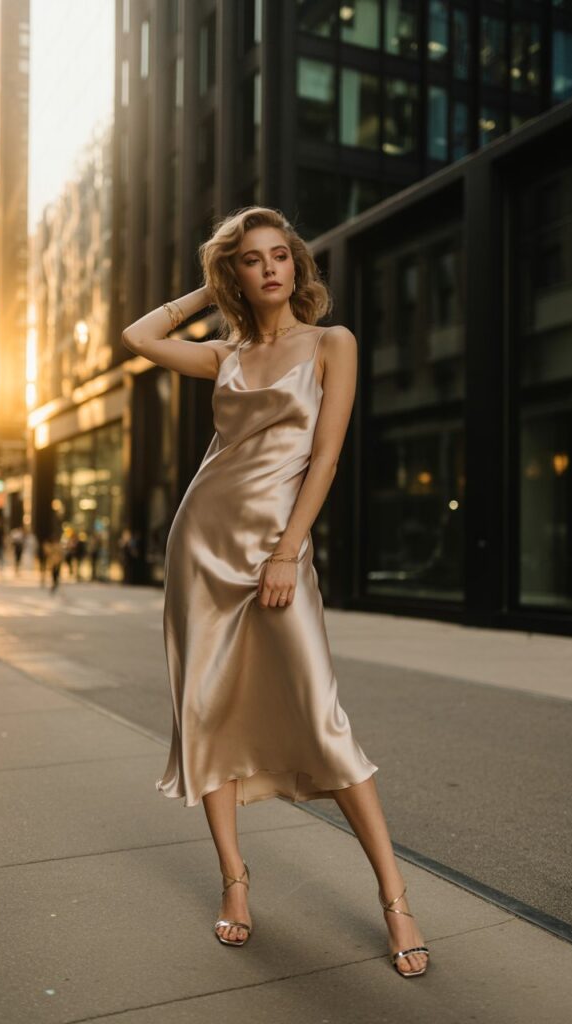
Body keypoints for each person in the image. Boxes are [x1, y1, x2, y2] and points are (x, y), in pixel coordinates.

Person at [121, 206, 429, 977]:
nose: (269, 268)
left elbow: (324, 459)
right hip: (202, 543)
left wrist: (289, 551)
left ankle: (394, 898)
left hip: (276, 549)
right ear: (238, 273)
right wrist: (202, 291)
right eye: (252, 259)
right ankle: (235, 881)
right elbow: (137, 338)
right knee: (208, 709)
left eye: (279, 255)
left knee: (322, 717)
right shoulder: (222, 356)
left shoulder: (332, 344)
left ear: (297, 266)